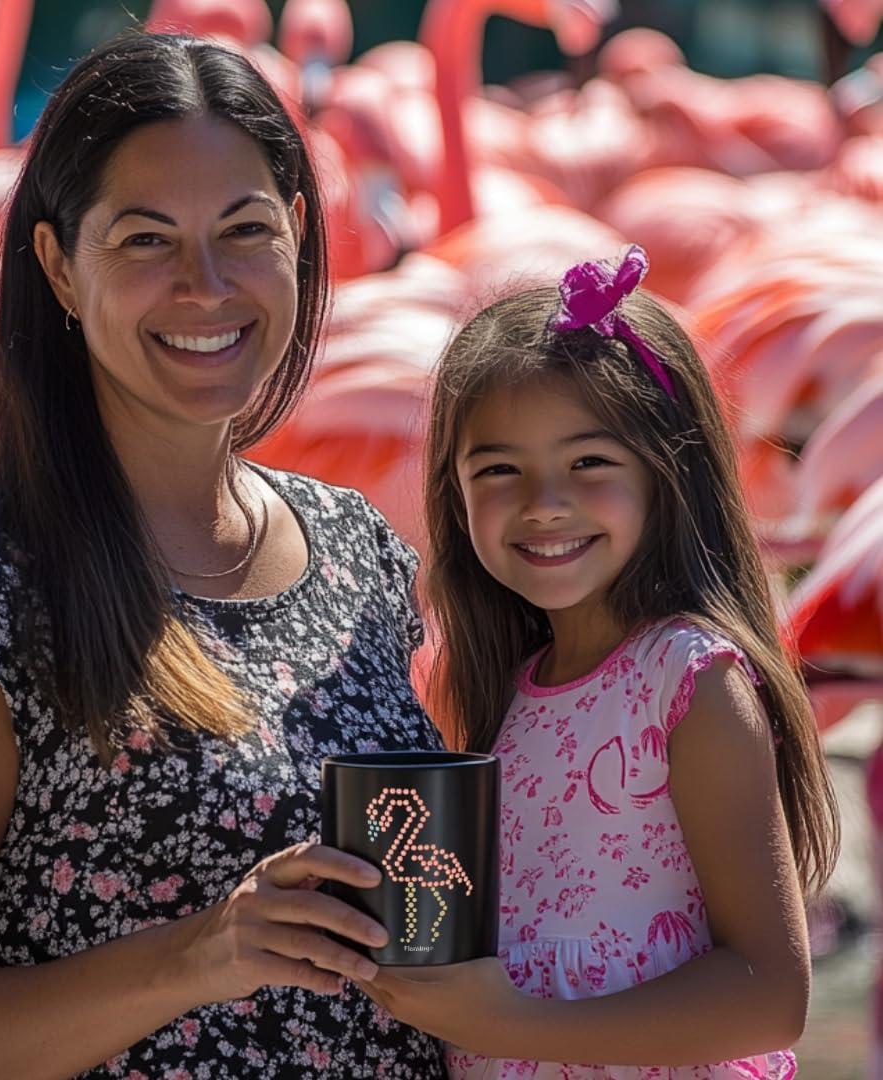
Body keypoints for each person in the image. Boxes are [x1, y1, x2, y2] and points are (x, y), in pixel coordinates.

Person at [0, 30, 448, 1079]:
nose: (205, 285)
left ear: (298, 234)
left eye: (244, 230)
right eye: (146, 241)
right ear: (61, 269)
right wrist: (200, 956)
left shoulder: (359, 549)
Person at [357, 246, 840, 1077]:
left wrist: (509, 1025)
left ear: (667, 474)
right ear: (455, 493)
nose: (544, 503)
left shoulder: (689, 683)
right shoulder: (508, 694)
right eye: (499, 470)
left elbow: (768, 995)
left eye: (589, 463)